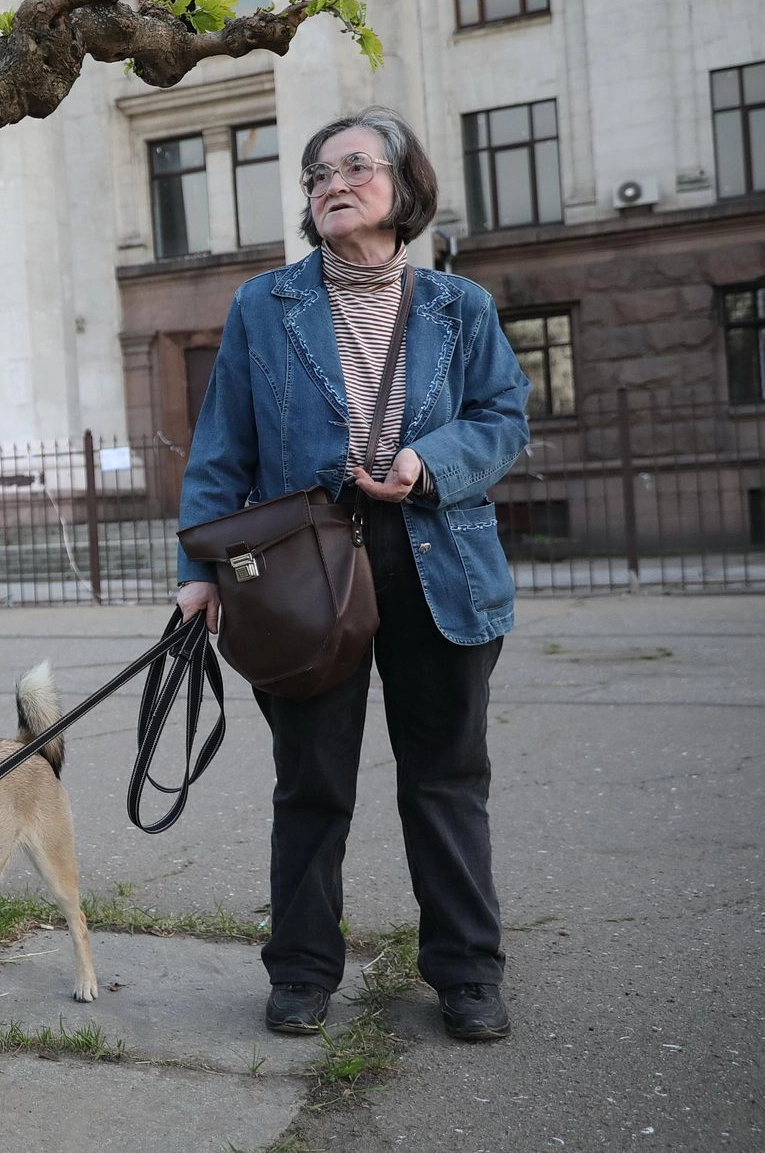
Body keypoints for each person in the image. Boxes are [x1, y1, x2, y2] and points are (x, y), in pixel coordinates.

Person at [174, 106, 531, 1042]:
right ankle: (300, 970)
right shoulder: (266, 305)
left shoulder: (463, 308)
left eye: (356, 166)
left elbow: (503, 419)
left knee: (446, 777)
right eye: (317, 174)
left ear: (404, 186)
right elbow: (222, 448)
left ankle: (465, 971)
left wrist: (427, 463)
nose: (333, 182)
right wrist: (198, 570)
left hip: (439, 560)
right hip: (303, 570)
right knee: (311, 781)